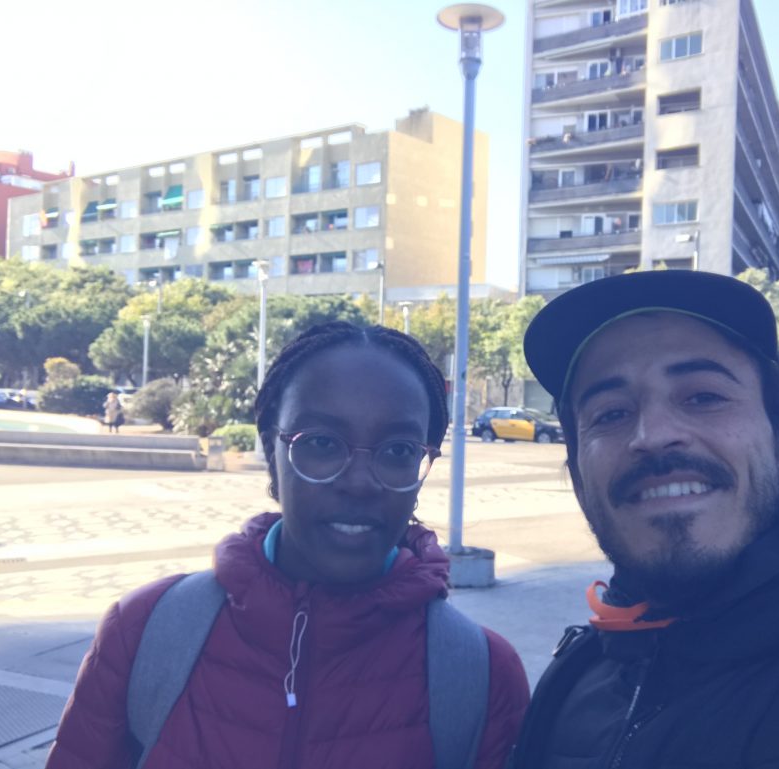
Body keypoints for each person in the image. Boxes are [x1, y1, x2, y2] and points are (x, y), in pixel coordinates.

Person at [512, 271, 779, 769]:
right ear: (578, 478)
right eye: (611, 413)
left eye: (703, 397)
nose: (652, 435)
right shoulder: (578, 673)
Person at [48, 321, 529, 768]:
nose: (359, 483)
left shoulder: (481, 676)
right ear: (272, 455)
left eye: (399, 451)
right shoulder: (146, 632)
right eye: (321, 443)